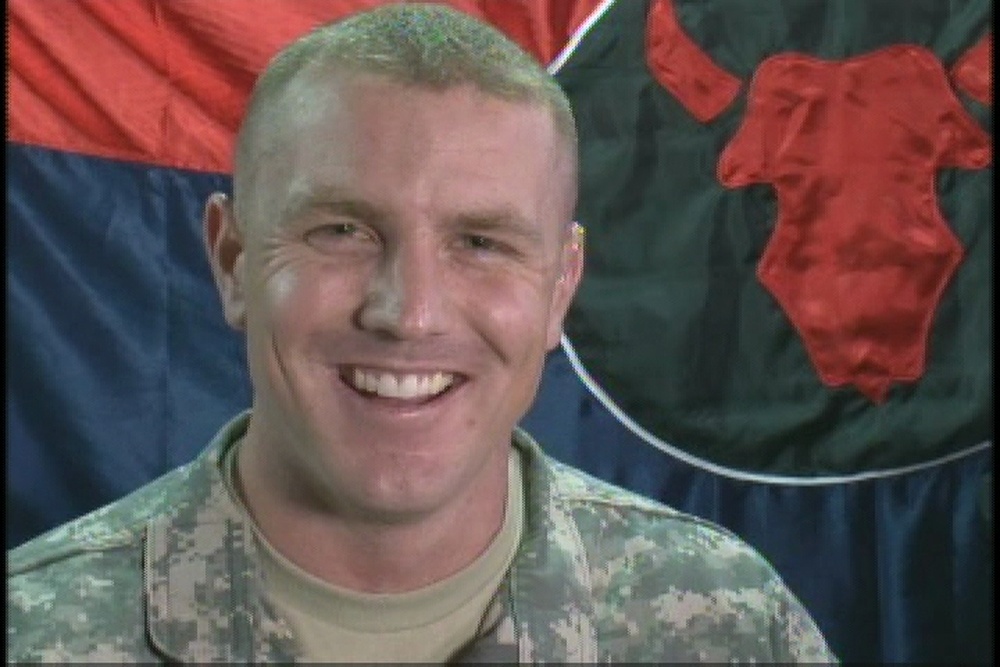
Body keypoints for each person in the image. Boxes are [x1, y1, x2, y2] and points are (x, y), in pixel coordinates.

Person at [7, 3, 837, 663]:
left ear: (561, 288)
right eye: (342, 231)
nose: (410, 313)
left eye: (481, 242)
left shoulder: (730, 623)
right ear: (232, 262)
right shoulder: (35, 632)